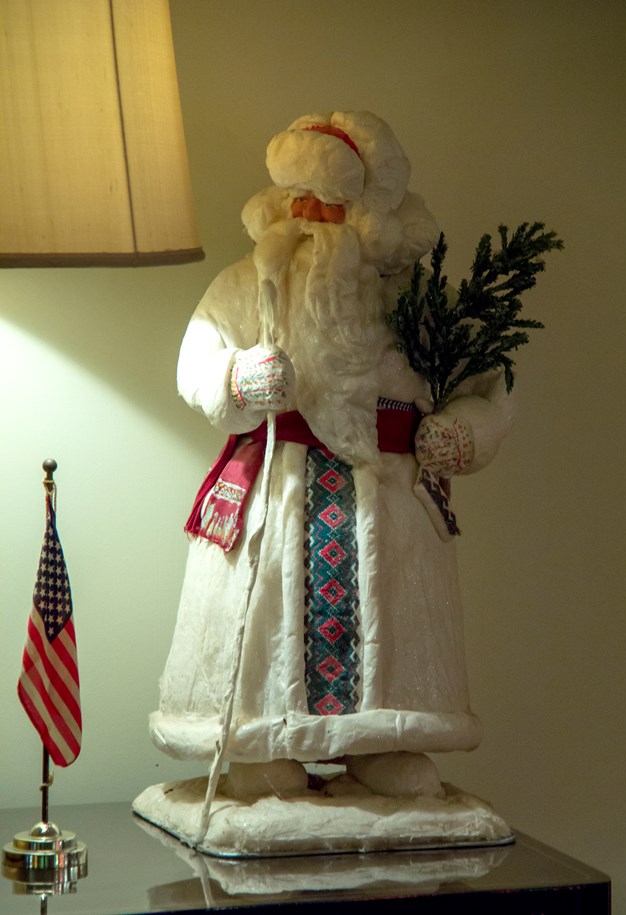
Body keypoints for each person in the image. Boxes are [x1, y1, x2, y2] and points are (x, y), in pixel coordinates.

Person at [149, 111, 513, 799]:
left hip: (391, 497)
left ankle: (379, 740)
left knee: (394, 622)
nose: (303, 213)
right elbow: (197, 357)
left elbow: (489, 386)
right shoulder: (243, 285)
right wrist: (237, 377)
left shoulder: (417, 300)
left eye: (322, 200)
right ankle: (261, 740)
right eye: (293, 196)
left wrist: (462, 431)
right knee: (265, 625)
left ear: (368, 214)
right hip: (277, 490)